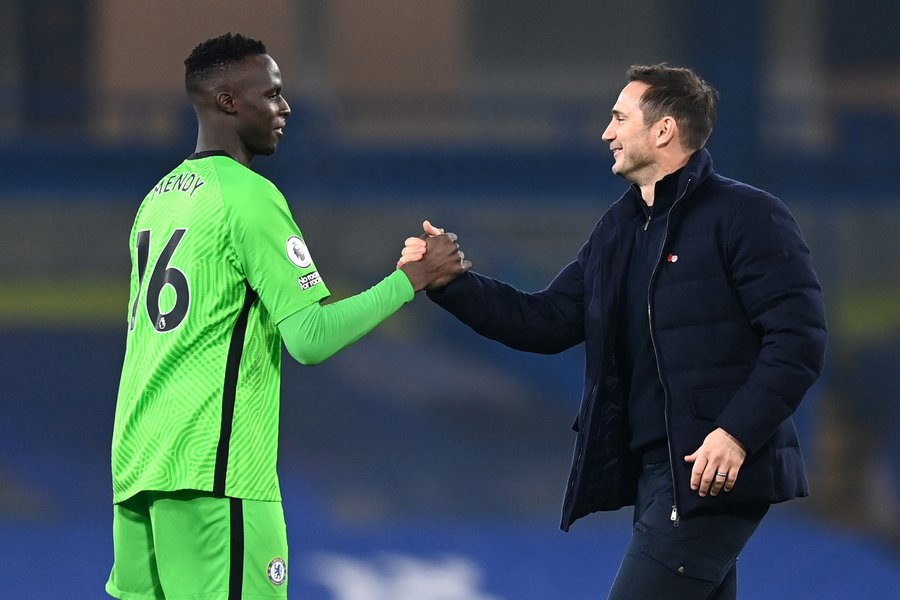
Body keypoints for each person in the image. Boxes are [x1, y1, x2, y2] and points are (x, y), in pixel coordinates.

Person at [399, 64, 827, 599]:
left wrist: (735, 433)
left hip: (707, 474)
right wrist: (454, 284)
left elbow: (798, 341)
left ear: (664, 130)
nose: (607, 133)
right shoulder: (618, 230)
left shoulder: (747, 215)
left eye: (620, 118)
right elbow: (546, 321)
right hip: (656, 475)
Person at [106, 32, 468, 600]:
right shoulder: (248, 196)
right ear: (228, 102)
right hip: (215, 471)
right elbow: (310, 337)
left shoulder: (158, 200)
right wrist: (410, 280)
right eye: (272, 94)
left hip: (138, 466)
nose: (286, 108)